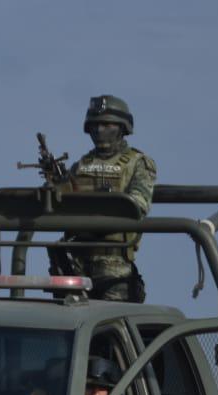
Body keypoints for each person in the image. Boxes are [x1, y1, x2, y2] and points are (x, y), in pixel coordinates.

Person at [57, 94, 157, 302]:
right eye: (95, 125)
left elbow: (138, 205)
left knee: (112, 325)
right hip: (76, 260)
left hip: (115, 264)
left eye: (106, 124)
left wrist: (104, 204)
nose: (99, 130)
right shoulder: (82, 165)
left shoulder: (138, 162)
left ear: (122, 127)